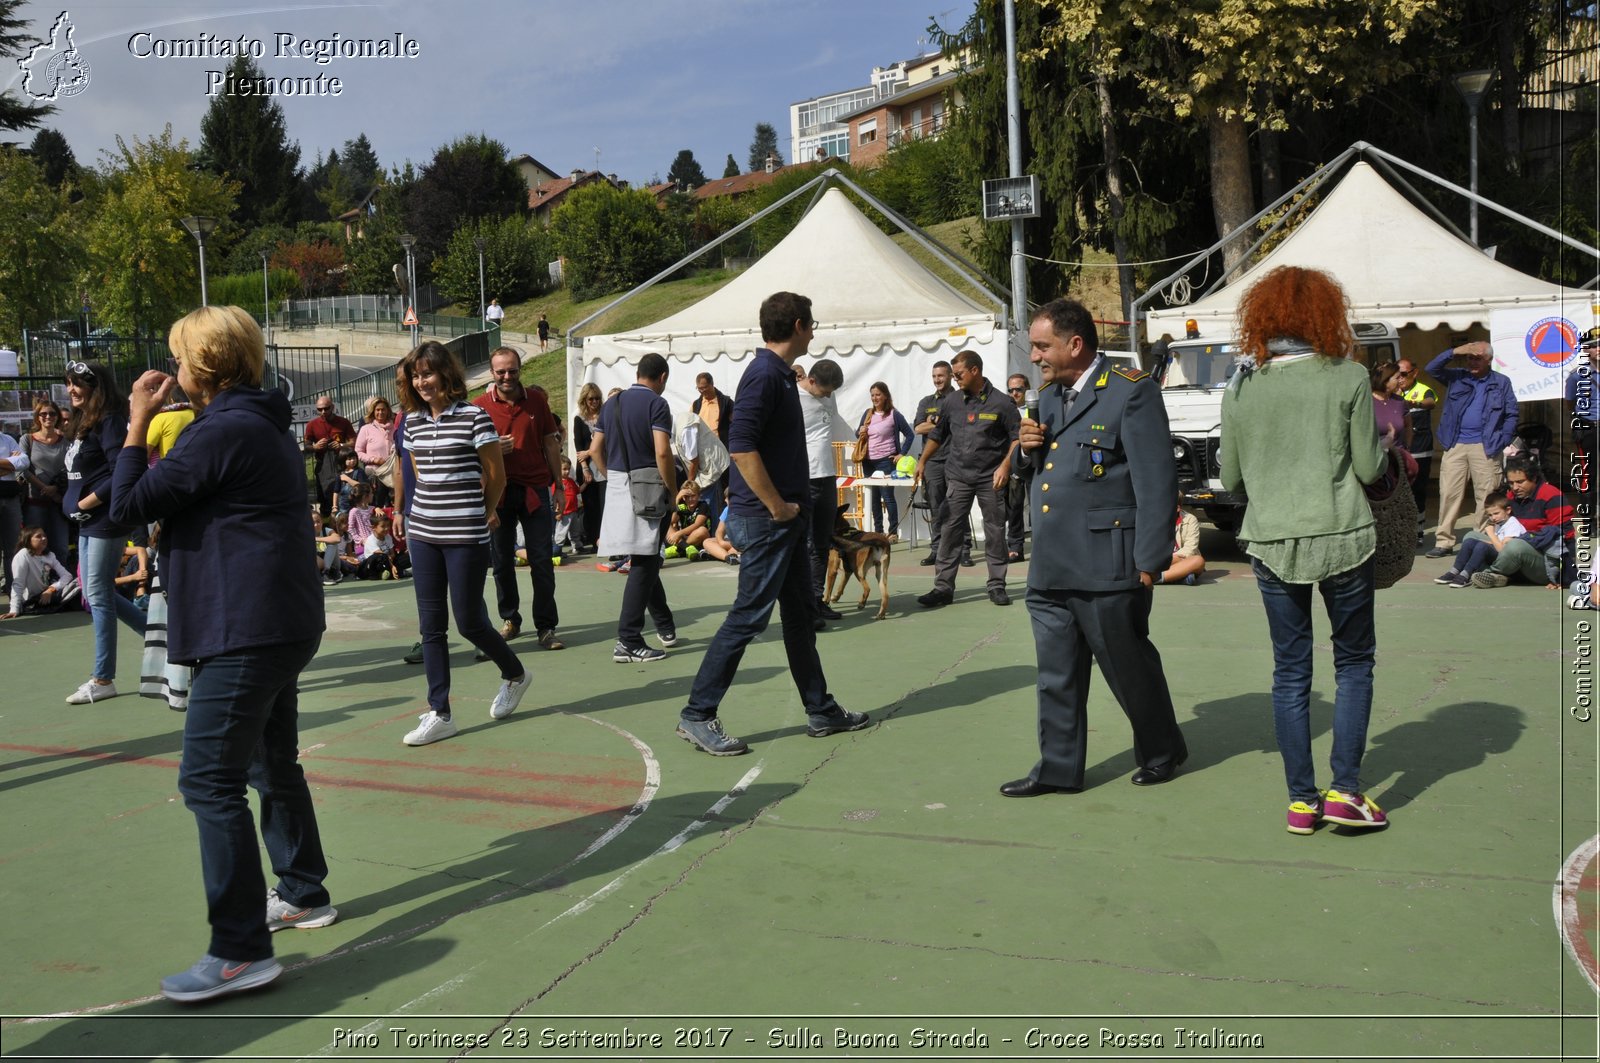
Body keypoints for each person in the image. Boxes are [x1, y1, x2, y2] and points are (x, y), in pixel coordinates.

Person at [108, 305, 336, 1003]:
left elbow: (125, 508)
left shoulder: (221, 429)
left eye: (179, 359)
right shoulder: (257, 421)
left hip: (247, 626)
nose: (172, 370)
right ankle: (300, 890)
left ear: (203, 365)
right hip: (277, 620)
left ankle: (240, 949)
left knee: (209, 779)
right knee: (270, 759)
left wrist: (136, 422)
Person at [1218, 266, 1388, 833]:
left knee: (1290, 673)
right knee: (1354, 663)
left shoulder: (1242, 385)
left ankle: (1301, 801)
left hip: (1270, 539)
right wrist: (1384, 447)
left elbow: (1231, 478)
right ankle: (1345, 792)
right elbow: (1367, 467)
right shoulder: (1348, 377)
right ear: (1325, 315)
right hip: (1342, 532)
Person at [1001, 297, 1187, 799]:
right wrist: (1024, 451)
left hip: (1108, 562)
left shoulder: (1130, 392)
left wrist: (1150, 560)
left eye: (1042, 346)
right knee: (1056, 676)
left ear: (1075, 344)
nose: (1035, 357)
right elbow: (1040, 476)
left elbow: (1156, 482)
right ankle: (1059, 769)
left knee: (1127, 668)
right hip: (1051, 565)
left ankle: (1162, 749)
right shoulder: (1049, 397)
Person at [675, 291, 867, 755]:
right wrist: (778, 507)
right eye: (812, 323)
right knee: (748, 617)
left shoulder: (781, 376)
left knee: (801, 615)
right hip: (767, 521)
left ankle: (820, 709)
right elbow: (741, 447)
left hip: (783, 522)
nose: (815, 330)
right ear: (799, 325)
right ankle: (697, 713)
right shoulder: (764, 376)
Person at [392, 341, 531, 746]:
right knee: (431, 627)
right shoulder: (412, 423)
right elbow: (419, 472)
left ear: (446, 375)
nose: (422, 382)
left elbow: (497, 475)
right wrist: (411, 513)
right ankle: (440, 712)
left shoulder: (474, 418)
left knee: (469, 621)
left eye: (428, 374)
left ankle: (515, 674)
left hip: (465, 535)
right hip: (423, 535)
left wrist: (483, 511)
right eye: (416, 376)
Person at [62, 360, 148, 704]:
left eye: (77, 384)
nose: (70, 390)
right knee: (94, 592)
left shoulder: (110, 421)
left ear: (95, 387)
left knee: (97, 595)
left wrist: (86, 504)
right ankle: (166, 640)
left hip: (104, 521)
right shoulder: (87, 422)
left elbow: (122, 471)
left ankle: (103, 678)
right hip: (87, 523)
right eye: (68, 383)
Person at [473, 347, 565, 652]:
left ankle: (546, 626)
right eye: (501, 371)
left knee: (542, 560)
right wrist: (492, 449)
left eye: (512, 370)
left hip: (535, 491)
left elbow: (551, 446)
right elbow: (467, 454)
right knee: (501, 561)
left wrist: (560, 487)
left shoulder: (537, 400)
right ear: (492, 373)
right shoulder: (479, 407)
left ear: (519, 369)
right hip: (497, 494)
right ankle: (510, 619)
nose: (507, 376)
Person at [914, 350, 1020, 608]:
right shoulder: (951, 402)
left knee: (995, 531)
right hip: (958, 476)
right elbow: (937, 435)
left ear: (975, 371)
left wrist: (1006, 465)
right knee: (949, 529)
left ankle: (996, 585)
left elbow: (1017, 438)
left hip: (990, 478)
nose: (955, 378)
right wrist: (922, 461)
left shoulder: (1002, 403)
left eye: (959, 374)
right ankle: (943, 588)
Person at [592, 353, 679, 663]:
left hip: (617, 484)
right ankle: (628, 638)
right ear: (663, 377)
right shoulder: (657, 404)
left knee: (645, 557)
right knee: (645, 561)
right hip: (649, 487)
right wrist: (672, 489)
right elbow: (662, 452)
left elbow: (594, 449)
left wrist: (610, 475)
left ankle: (665, 624)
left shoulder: (611, 403)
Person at [1424, 340, 1518, 558]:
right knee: (1448, 493)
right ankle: (1444, 541)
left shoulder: (1501, 382)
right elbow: (1431, 368)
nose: (1473, 362)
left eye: (1478, 358)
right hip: (1455, 444)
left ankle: (1480, 539)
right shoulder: (1457, 376)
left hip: (1486, 446)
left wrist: (1502, 439)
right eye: (1470, 357)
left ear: (1489, 360)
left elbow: (1512, 413)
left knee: (1485, 496)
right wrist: (1456, 351)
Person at [1460, 456, 1572, 589]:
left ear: (1534, 478)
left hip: (1542, 563)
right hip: (1509, 553)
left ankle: (1490, 573)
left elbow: (1566, 537)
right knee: (1472, 537)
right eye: (1511, 483)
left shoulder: (1552, 497)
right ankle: (1490, 575)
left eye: (1520, 482)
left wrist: (1563, 577)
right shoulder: (1511, 496)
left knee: (1516, 546)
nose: (1515, 487)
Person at [799, 358, 846, 622]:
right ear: (812, 380)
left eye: (832, 391)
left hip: (828, 476)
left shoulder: (829, 394)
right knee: (803, 545)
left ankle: (818, 601)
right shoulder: (793, 396)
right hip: (804, 478)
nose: (829, 395)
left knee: (821, 543)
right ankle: (804, 606)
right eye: (825, 390)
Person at [913, 361, 971, 567]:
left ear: (950, 376)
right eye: (934, 376)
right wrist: (939, 422)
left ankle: (964, 550)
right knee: (936, 507)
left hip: (956, 461)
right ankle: (937, 550)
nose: (937, 380)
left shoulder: (961, 398)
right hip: (933, 463)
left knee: (958, 506)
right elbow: (919, 428)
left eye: (941, 376)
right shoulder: (926, 401)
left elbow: (963, 424)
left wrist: (936, 421)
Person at [854, 381, 913, 539]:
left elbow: (910, 434)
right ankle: (878, 531)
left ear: (885, 395)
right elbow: (857, 435)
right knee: (873, 497)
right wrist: (859, 432)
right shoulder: (867, 413)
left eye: (878, 394)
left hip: (886, 461)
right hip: (868, 461)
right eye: (872, 395)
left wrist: (902, 454)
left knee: (887, 497)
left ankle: (892, 532)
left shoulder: (894, 414)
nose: (875, 398)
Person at [1434, 495, 1525, 588]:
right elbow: (1498, 542)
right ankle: (1454, 571)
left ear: (1508, 510)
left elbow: (1503, 550)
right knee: (1470, 542)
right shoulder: (1500, 523)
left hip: (1510, 563)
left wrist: (1491, 534)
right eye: (1490, 515)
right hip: (1501, 555)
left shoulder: (1513, 524)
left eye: (1496, 513)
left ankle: (1467, 575)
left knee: (1482, 546)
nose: (1493, 518)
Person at [21, 399, 69, 560]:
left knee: (61, 547)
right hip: (35, 501)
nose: (48, 416)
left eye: (52, 413)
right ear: (37, 417)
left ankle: (61, 582)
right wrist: (44, 488)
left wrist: (55, 488)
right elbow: (23, 468)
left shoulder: (65, 440)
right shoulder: (27, 439)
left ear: (57, 417)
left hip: (59, 501)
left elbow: (70, 466)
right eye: (43, 414)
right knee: (34, 547)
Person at [1395, 358, 1437, 543]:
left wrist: (1416, 404)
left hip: (1420, 450)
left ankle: (1418, 532)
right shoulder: (1391, 390)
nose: (1400, 378)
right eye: (1398, 374)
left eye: (1404, 374)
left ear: (1414, 373)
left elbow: (1430, 402)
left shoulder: (1423, 390)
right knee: (1399, 492)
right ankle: (1401, 531)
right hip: (1398, 450)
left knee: (1418, 490)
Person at [2, 526, 79, 617]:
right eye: (38, 536)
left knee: (79, 582)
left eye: (44, 536)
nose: (43, 538)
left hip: (48, 594)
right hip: (32, 601)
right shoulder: (23, 555)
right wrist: (14, 609)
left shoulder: (50, 555)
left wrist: (50, 590)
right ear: (28, 540)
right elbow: (18, 584)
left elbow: (67, 576)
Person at [303, 398, 356, 520]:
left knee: (345, 495)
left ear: (332, 407)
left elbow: (353, 440)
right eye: (319, 409)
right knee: (325, 497)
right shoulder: (312, 425)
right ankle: (327, 525)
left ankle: (346, 522)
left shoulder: (343, 422)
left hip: (342, 464)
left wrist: (341, 445)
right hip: (323, 466)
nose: (323, 412)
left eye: (326, 408)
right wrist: (315, 447)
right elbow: (306, 446)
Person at [571, 383, 606, 553]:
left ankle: (605, 538)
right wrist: (584, 467)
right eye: (591, 398)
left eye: (597, 398)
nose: (594, 402)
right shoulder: (579, 419)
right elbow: (578, 445)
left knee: (605, 504)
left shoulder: (604, 416)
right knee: (591, 506)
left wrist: (589, 452)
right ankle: (594, 539)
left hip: (603, 465)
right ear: (584, 400)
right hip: (587, 468)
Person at [1004, 373, 1031, 562]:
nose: (1014, 393)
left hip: (1035, 464)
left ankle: (1042, 546)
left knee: (1039, 508)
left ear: (1026, 389)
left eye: (1018, 389)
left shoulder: (1037, 407)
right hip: (1014, 464)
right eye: (1011, 390)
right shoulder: (1005, 409)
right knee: (1014, 508)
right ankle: (1015, 547)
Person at [355, 395, 398, 507]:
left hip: (394, 473)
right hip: (375, 474)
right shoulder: (366, 429)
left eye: (383, 409)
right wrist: (374, 459)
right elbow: (358, 452)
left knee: (394, 506)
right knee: (377, 507)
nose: (380, 412)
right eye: (377, 410)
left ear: (388, 410)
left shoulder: (395, 427)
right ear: (373, 412)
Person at [1160, 497, 1206, 586]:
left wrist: (1173, 558)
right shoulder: (1154, 519)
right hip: (1160, 561)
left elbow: (1190, 548)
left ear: (1177, 508)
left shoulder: (1190, 519)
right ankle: (1180, 577)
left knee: (1199, 561)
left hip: (1180, 558)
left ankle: (1156, 578)